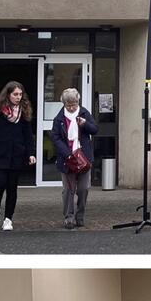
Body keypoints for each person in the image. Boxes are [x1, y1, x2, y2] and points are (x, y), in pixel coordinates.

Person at [0, 81, 37, 232]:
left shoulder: (23, 113)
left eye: (20, 94)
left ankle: (8, 219)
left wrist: (31, 153)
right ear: (8, 95)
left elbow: (28, 136)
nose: (18, 97)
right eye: (15, 94)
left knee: (12, 188)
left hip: (17, 155)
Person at [51, 87, 99, 230]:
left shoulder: (84, 113)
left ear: (78, 102)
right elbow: (55, 137)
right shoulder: (59, 118)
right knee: (68, 190)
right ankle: (69, 217)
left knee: (83, 188)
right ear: (64, 104)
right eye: (69, 105)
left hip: (83, 157)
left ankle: (80, 215)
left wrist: (85, 124)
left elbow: (95, 130)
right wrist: (67, 153)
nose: (72, 108)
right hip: (67, 159)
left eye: (74, 104)